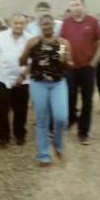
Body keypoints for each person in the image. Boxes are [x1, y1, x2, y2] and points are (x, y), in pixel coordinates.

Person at [20, 14, 73, 166]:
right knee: (42, 120)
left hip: (58, 83)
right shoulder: (33, 42)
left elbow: (66, 65)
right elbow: (22, 62)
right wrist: (27, 50)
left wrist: (66, 60)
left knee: (61, 117)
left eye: (50, 24)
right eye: (44, 24)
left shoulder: (62, 43)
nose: (47, 27)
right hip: (38, 84)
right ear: (39, 26)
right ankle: (43, 155)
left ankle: (57, 144)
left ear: (54, 26)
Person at [60, 0, 100, 145]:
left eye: (78, 5)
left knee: (87, 101)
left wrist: (94, 62)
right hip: (70, 68)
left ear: (83, 6)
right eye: (72, 5)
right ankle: (72, 118)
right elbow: (61, 44)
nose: (75, 8)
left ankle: (83, 132)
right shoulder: (66, 23)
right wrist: (62, 61)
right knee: (70, 97)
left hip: (88, 68)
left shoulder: (92, 21)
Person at [0, 13, 31, 146]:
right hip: (3, 78)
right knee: (2, 109)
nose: (18, 25)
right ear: (11, 23)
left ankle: (19, 134)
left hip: (22, 79)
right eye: (16, 23)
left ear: (25, 24)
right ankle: (3, 136)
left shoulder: (30, 39)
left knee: (21, 109)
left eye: (21, 23)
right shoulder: (1, 37)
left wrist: (22, 76)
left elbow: (31, 62)